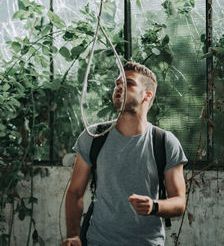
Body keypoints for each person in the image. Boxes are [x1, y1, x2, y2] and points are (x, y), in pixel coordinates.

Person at [63, 62, 188, 246]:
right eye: (117, 84)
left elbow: (179, 202)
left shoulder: (164, 142)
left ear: (147, 95)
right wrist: (73, 235)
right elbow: (75, 192)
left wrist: (154, 206)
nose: (119, 88)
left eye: (129, 83)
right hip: (98, 241)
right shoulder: (94, 137)